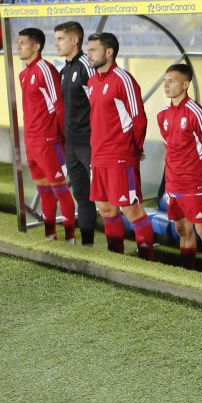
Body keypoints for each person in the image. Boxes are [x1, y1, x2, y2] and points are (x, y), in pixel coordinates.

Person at [85, 33, 154, 259]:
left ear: (109, 52)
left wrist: (134, 149)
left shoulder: (123, 79)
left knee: (131, 209)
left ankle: (147, 259)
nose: (89, 54)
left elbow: (139, 119)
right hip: (98, 156)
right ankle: (116, 258)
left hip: (120, 157)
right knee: (106, 210)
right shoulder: (93, 81)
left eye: (93, 49)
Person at [157, 65, 202, 274]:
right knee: (182, 230)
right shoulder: (162, 116)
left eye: (172, 81)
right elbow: (171, 148)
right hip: (173, 183)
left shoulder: (196, 113)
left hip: (194, 184)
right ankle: (188, 275)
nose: (166, 85)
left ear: (185, 85)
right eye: (165, 80)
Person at [17, 28, 77, 242]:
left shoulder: (45, 70)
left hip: (49, 142)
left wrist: (63, 137)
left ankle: (70, 238)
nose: (18, 46)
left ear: (36, 46)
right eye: (19, 42)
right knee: (43, 190)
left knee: (60, 190)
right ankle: (50, 234)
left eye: (23, 43)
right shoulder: (23, 74)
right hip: (31, 142)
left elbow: (58, 106)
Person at [53, 22, 97, 246]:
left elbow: (98, 104)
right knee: (81, 195)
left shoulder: (85, 66)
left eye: (60, 38)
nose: (56, 43)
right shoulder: (65, 69)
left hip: (89, 144)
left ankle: (116, 248)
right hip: (71, 144)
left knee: (104, 198)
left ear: (74, 40)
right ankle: (88, 244)